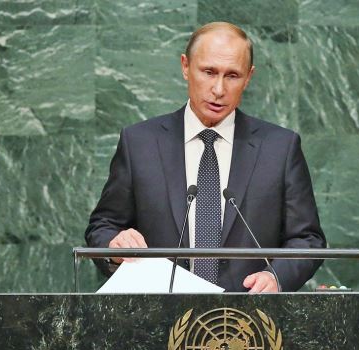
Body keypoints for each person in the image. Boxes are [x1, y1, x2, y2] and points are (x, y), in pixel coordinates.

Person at [85, 22, 326, 292]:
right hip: (161, 312)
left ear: (248, 77)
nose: (219, 89)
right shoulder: (140, 143)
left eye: (232, 75)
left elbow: (307, 239)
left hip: (247, 313)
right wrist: (115, 244)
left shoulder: (280, 148)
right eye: (209, 72)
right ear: (185, 66)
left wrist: (276, 277)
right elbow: (103, 226)